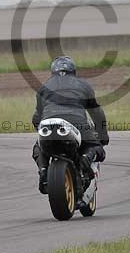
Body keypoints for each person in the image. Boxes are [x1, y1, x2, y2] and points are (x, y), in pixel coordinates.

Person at [31, 56, 109, 194]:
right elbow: (97, 113)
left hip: (49, 122)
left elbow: (37, 117)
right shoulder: (84, 85)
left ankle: (43, 171)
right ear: (73, 71)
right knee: (97, 147)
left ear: (53, 71)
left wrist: (41, 129)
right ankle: (86, 157)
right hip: (77, 122)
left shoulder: (44, 87)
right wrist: (102, 135)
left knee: (38, 147)